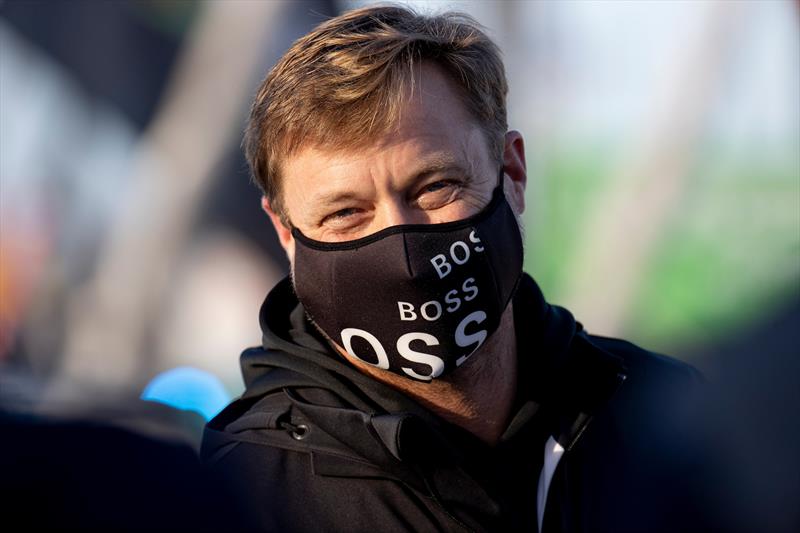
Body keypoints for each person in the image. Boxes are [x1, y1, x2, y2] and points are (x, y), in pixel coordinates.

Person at [201, 6, 703, 532]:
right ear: (286, 234)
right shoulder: (242, 497)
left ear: (512, 172)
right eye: (346, 213)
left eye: (435, 187)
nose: (400, 247)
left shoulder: (672, 423)